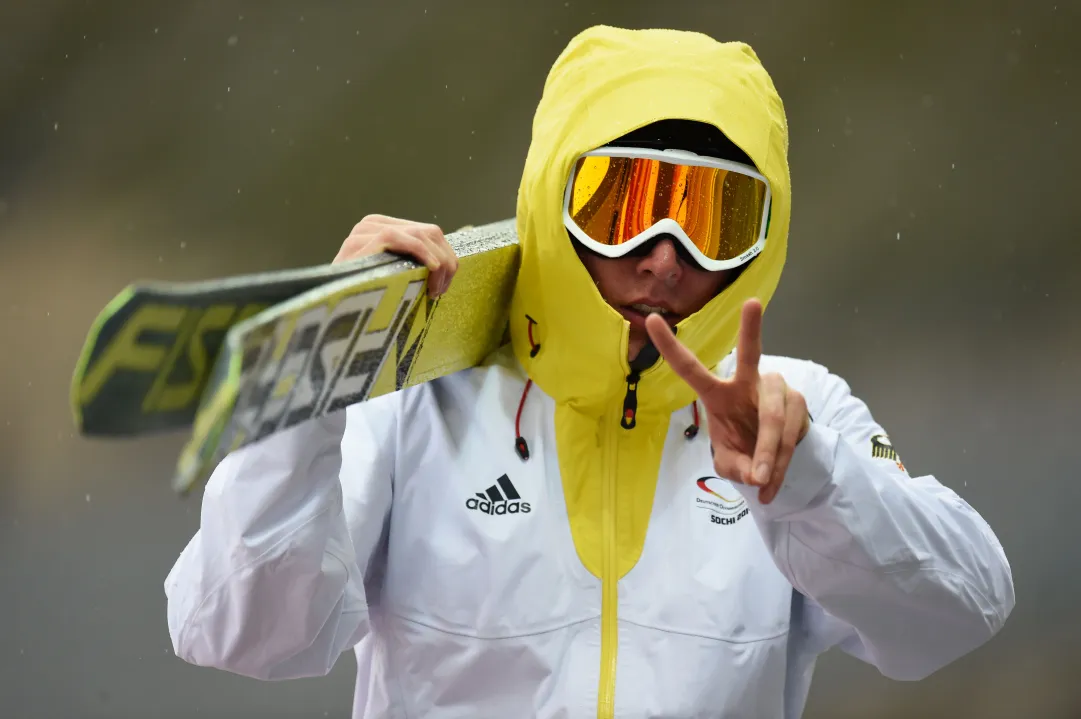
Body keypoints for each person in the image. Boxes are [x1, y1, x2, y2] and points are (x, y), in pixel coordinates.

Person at [164, 25, 1014, 718]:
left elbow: (958, 612)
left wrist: (809, 486)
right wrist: (319, 380)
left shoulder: (791, 416)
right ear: (550, 201)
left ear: (766, 236)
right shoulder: (415, 401)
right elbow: (247, 634)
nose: (663, 257)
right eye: (622, 204)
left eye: (713, 218)